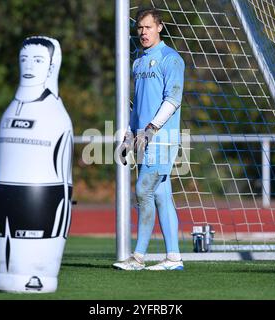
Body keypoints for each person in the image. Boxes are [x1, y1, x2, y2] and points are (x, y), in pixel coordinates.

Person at [113, 8, 185, 271]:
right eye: (140, 28)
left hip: (162, 140)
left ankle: (138, 257)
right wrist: (129, 135)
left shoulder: (171, 59)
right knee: (162, 197)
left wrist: (152, 127)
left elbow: (173, 99)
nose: (143, 32)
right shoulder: (139, 61)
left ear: (160, 27)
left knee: (143, 191)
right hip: (143, 139)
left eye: (148, 27)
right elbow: (138, 106)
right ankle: (174, 258)